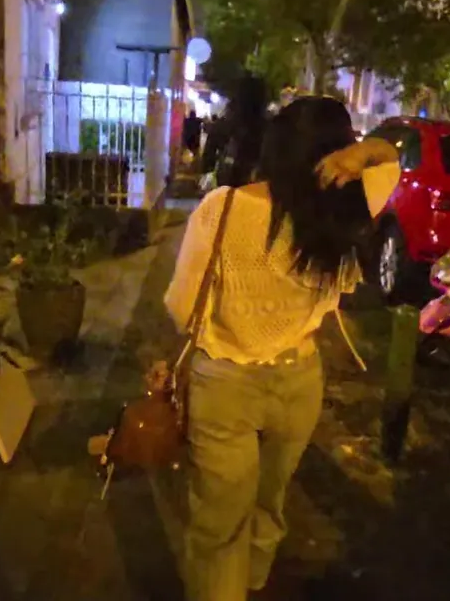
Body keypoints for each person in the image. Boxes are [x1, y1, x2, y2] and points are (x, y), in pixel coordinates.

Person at [163, 96, 400, 601]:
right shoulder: (342, 209)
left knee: (219, 519)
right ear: (336, 153)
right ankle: (253, 580)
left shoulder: (222, 208)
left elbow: (181, 307)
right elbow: (391, 159)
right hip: (298, 381)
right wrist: (359, 155)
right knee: (270, 500)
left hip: (224, 383)